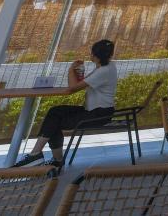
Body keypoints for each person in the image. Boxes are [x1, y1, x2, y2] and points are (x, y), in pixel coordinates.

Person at [14, 39, 118, 169]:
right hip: (97, 111)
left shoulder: (103, 71)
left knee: (55, 121)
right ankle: (47, 157)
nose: (90, 55)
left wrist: (71, 69)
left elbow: (72, 88)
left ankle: (41, 155)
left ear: (96, 56)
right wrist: (76, 71)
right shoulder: (108, 67)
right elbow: (79, 83)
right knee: (55, 111)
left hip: (99, 114)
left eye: (92, 53)